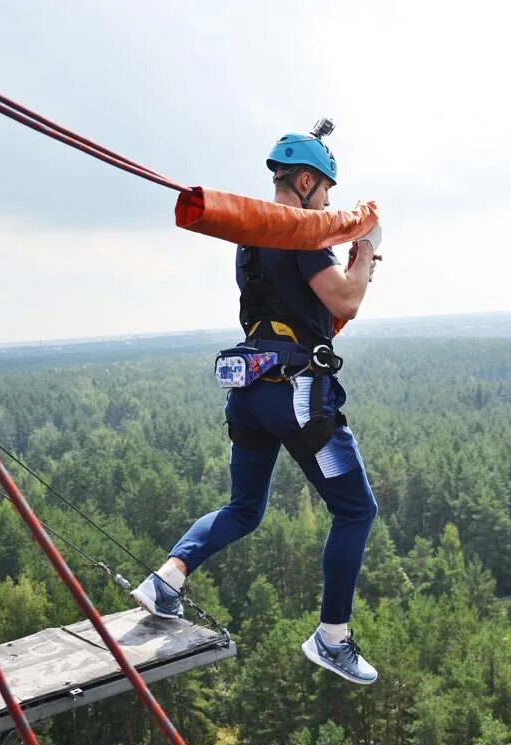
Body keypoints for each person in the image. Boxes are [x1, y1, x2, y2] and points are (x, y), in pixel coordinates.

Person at [133, 120, 382, 686]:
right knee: (356, 509)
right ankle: (332, 638)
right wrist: (365, 255)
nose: (328, 203)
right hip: (295, 396)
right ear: (304, 182)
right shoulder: (298, 233)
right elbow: (344, 298)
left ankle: (168, 577)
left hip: (249, 392)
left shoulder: (252, 242)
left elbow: (303, 307)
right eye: (326, 191)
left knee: (245, 507)